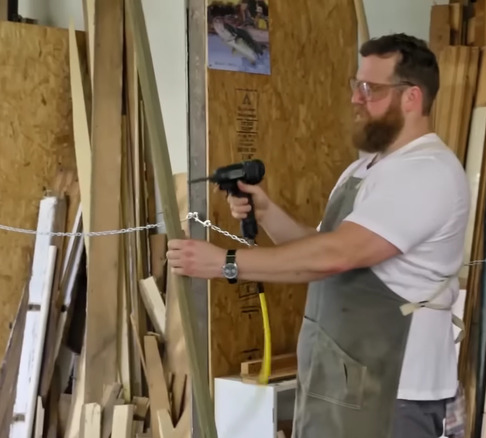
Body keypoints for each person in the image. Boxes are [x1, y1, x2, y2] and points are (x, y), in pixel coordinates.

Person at [167, 33, 470, 438]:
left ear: (412, 97)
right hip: (340, 383)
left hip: (395, 394)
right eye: (356, 86)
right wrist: (268, 212)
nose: (355, 99)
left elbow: (338, 255)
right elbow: (320, 249)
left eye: (370, 89)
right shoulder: (365, 170)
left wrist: (225, 264)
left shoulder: (428, 171)